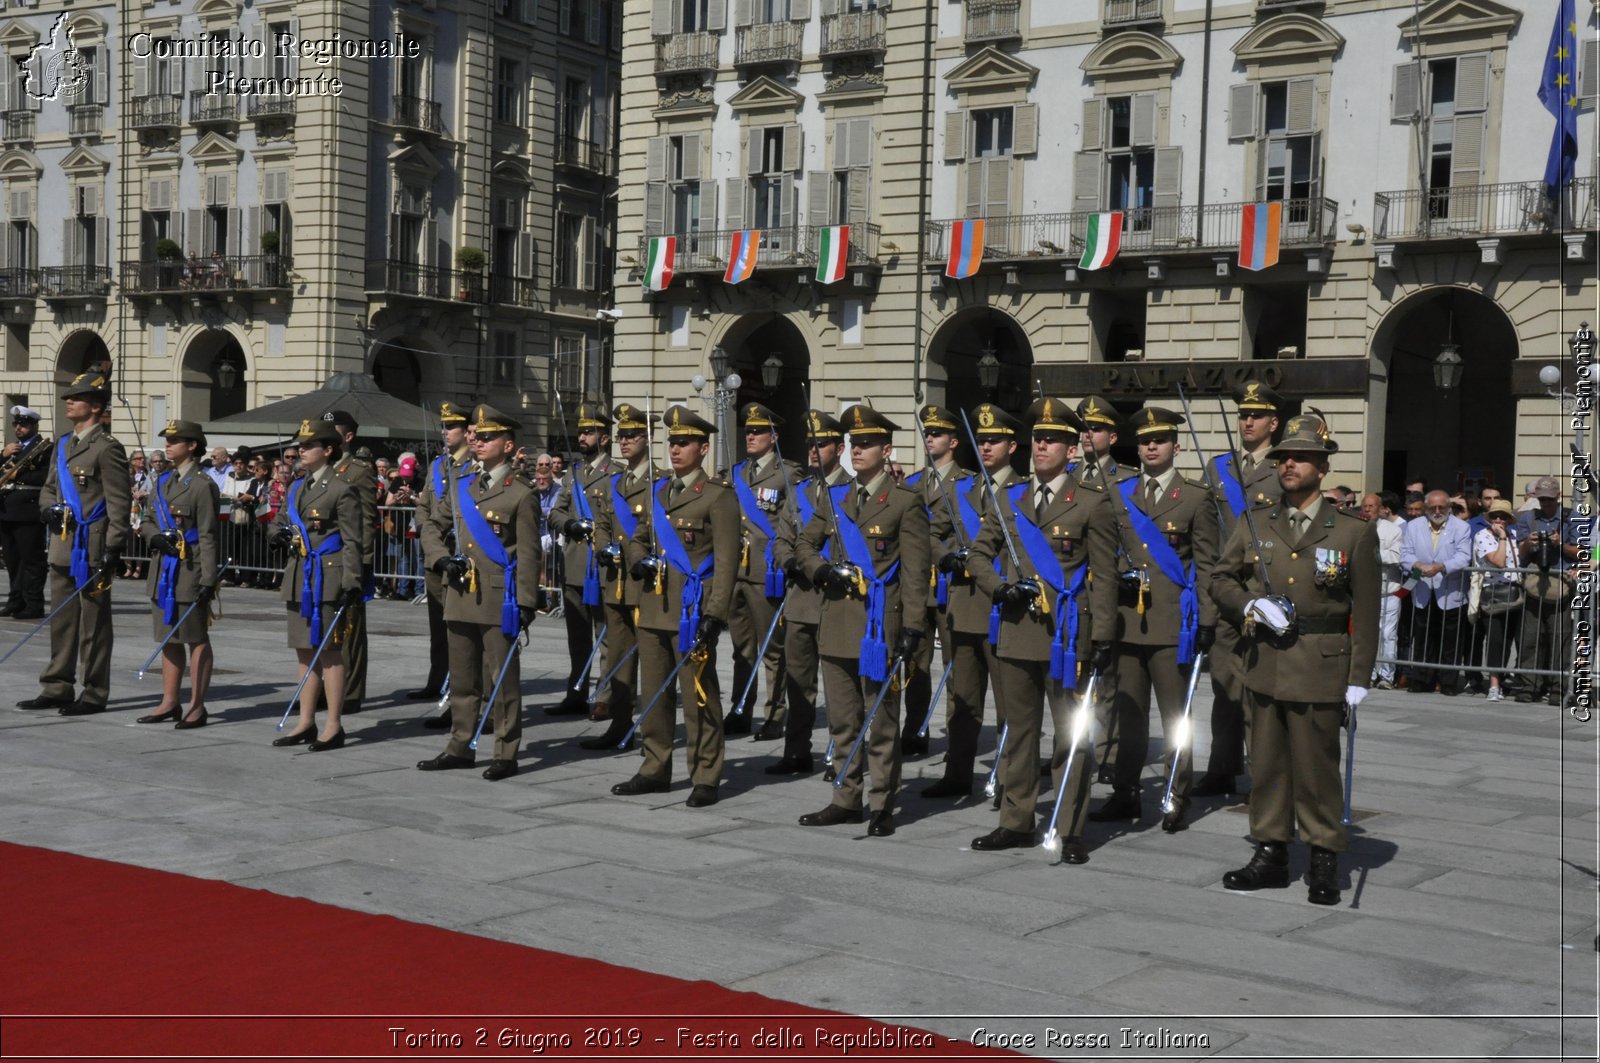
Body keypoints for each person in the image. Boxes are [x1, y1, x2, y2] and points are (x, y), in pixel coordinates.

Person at [1210, 412, 1379, 906]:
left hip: (1322, 662)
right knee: (1266, 764)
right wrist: (1248, 603)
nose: (1289, 465)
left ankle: (1324, 857)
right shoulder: (1255, 520)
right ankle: (1270, 851)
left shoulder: (1352, 531)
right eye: (1284, 457)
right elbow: (1221, 578)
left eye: (1302, 458)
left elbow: (1366, 610)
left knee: (1316, 767)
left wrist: (1359, 676)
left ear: (1323, 468)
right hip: (1264, 659)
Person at [967, 398, 1117, 861]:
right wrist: (999, 587)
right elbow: (977, 556)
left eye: (1053, 440)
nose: (1042, 446)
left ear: (1072, 450)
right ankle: (1015, 820)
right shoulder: (1009, 500)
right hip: (1017, 629)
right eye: (1038, 438)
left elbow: (1106, 575)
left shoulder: (1093, 503)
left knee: (1072, 734)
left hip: (1069, 636)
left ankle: (1071, 827)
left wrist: (1105, 637)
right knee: (1019, 734)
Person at [794, 404, 930, 836]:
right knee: (843, 719)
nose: (857, 450)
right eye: (854, 443)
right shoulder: (835, 500)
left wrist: (912, 627)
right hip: (836, 620)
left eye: (867, 444)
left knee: (882, 720)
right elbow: (804, 545)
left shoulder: (905, 502)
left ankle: (882, 803)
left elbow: (914, 572)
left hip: (879, 626)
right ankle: (845, 796)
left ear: (886, 450)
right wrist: (822, 570)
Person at [1090, 406, 1219, 833]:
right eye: (1144, 440)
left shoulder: (1197, 498)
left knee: (1174, 718)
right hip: (1127, 621)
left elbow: (1207, 562)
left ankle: (1174, 794)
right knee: (1128, 717)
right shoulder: (1119, 493)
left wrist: (1207, 620)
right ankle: (1125, 793)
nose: (1150, 446)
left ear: (1175, 447)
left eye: (1159, 439)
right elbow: (1105, 561)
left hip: (1171, 626)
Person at [615, 405, 739, 807]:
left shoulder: (718, 496)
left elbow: (725, 563)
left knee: (699, 693)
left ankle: (705, 773)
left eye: (684, 443)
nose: (675, 449)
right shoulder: (659, 491)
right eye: (672, 442)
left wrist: (714, 614)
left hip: (692, 612)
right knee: (653, 693)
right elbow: (638, 535)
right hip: (654, 605)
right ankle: (654, 766)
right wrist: (639, 561)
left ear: (703, 449)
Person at [416, 405, 542, 782]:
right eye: (479, 436)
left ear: (508, 444)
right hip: (459, 592)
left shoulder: (520, 494)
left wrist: (526, 603)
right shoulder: (462, 486)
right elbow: (430, 526)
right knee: (462, 678)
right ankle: (460, 746)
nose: (480, 442)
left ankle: (505, 751)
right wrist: (439, 560)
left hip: (498, 598)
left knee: (502, 680)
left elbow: (530, 554)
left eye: (488, 438)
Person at [18, 372, 131, 715]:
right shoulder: (64, 444)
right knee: (62, 619)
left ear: (95, 407)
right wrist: (48, 509)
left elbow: (118, 503)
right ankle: (57, 685)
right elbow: (50, 486)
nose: (69, 401)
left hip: (92, 543)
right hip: (64, 541)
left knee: (94, 624)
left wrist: (112, 548)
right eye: (69, 397)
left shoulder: (107, 448)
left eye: (77, 398)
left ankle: (94, 691)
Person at [926, 402, 1020, 800]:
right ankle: (957, 773)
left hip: (1003, 609)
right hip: (963, 606)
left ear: (1012, 446)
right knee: (962, 700)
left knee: (1010, 703)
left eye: (994, 441)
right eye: (982, 441)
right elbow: (929, 533)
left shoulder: (1023, 490)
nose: (986, 447)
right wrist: (945, 555)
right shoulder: (960, 488)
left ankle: (1010, 778)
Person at [1193, 383, 1283, 799]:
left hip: (1263, 591)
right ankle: (1221, 767)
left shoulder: (1284, 465)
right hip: (1226, 591)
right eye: (1243, 415)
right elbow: (1207, 539)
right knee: (1224, 687)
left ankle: (1263, 774)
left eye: (1257, 415)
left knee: (1261, 690)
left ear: (1273, 422)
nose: (1247, 421)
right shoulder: (1218, 468)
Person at [268, 419, 362, 751]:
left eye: (308, 446)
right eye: (300, 446)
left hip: (328, 576)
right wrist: (276, 534)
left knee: (330, 653)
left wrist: (352, 582)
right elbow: (278, 520)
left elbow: (352, 540)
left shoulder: (341, 488)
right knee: (304, 652)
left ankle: (333, 725)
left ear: (328, 450)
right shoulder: (296, 487)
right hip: (300, 575)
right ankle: (306, 721)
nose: (301, 451)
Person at [767, 409, 851, 775]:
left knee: (839, 688)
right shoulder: (800, 490)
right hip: (800, 597)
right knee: (799, 682)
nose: (814, 450)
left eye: (823, 443)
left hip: (839, 601)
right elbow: (783, 538)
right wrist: (791, 562)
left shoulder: (851, 489)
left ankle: (841, 754)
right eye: (810, 444)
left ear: (839, 447)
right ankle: (796, 750)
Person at [581, 402, 658, 751]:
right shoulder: (613, 482)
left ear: (648, 438)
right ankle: (619, 723)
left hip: (646, 584)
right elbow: (601, 524)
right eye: (621, 436)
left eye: (632, 435)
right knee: (619, 658)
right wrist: (603, 547)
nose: (624, 442)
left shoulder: (660, 482)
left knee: (655, 662)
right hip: (616, 581)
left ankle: (655, 731)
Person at [898, 405, 973, 760]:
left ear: (954, 442)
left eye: (937, 434)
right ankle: (915, 729)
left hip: (948, 584)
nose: (930, 439)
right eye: (927, 434)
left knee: (956, 667)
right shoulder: (911, 484)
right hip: (915, 585)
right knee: (915, 662)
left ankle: (958, 741)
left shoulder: (967, 483)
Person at [136, 420, 221, 729]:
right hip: (163, 569)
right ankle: (169, 701)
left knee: (195, 638)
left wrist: (208, 579)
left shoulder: (201, 485)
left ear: (193, 446)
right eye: (168, 440)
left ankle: (197, 706)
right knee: (167, 637)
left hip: (190, 569)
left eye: (176, 440)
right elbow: (146, 519)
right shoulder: (162, 481)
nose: (168, 445)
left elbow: (210, 535)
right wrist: (153, 536)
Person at [1074, 394, 1135, 779]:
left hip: (1108, 586)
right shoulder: (1070, 478)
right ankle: (1074, 749)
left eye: (1095, 429)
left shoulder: (1126, 479)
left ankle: (1109, 754)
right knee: (1074, 679)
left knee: (1109, 680)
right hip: (1075, 591)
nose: (1086, 435)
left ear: (1112, 437)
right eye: (1083, 429)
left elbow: (1132, 538)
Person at [726, 402, 796, 740]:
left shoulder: (788, 474)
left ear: (774, 436)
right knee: (741, 648)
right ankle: (740, 708)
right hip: (735, 571)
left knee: (772, 648)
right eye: (749, 431)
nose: (750, 436)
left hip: (765, 571)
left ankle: (774, 714)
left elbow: (793, 522)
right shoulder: (737, 473)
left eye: (758, 431)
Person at [547, 404, 622, 715]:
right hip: (576, 564)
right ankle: (576, 692)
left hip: (602, 566)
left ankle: (605, 696)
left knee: (606, 635)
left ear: (603, 438)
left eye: (588, 432)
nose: (582, 437)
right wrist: (569, 524)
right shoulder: (573, 474)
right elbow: (555, 512)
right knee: (577, 636)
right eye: (580, 432)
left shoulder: (616, 473)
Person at [414, 402, 474, 720]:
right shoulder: (439, 466)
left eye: (451, 427)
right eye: (443, 427)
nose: (445, 432)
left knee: (458, 628)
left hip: (459, 553)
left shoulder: (472, 465)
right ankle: (437, 679)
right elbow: (424, 503)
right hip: (435, 553)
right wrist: (429, 533)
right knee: (437, 624)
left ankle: (458, 689)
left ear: (466, 432)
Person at [1511, 475, 1579, 705]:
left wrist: (1560, 543)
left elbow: (1581, 552)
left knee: (1560, 639)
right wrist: (1529, 543)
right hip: (1533, 585)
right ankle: (1529, 686)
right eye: (1542, 499)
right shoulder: (1527, 518)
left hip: (1561, 587)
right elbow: (1521, 553)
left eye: (1550, 500)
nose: (1546, 504)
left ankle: (1558, 688)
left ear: (1559, 497)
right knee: (1530, 638)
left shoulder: (1572, 517)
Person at [325, 411, 376, 715]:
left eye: (331, 431)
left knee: (351, 628)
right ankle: (325, 687)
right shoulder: (322, 470)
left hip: (350, 558)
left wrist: (363, 563)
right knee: (326, 625)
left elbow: (367, 520)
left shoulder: (358, 471)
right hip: (326, 559)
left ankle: (352, 691)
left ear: (347, 437)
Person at [1399, 489, 1472, 695]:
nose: (1437, 511)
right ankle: (1422, 679)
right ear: (1426, 508)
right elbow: (1405, 553)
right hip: (1422, 588)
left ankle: (1448, 682)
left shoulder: (1461, 527)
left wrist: (1441, 566)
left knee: (1451, 639)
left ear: (1449, 508)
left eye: (1442, 507)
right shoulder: (1413, 526)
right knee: (1422, 637)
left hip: (1450, 591)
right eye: (1433, 508)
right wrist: (1417, 564)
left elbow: (1463, 557)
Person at [0, 405, 49, 619]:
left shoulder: (45, 448)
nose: (19, 428)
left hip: (28, 509)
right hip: (7, 509)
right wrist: (3, 455)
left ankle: (33, 603)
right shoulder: (14, 448)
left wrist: (17, 475)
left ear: (34, 425)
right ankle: (15, 600)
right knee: (12, 560)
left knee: (31, 560)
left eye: (24, 424)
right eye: (16, 424)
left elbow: (46, 477)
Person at [1473, 499, 1522, 702]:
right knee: (1495, 639)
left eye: (1503, 516)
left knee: (1508, 640)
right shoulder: (1482, 536)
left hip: (1513, 593)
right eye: (1494, 516)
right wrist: (1501, 538)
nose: (1498, 519)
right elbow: (1499, 561)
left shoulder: (1515, 535)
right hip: (1492, 594)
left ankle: (1502, 679)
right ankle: (1493, 684)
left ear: (1509, 519)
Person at [1361, 491, 1405, 689]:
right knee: (1367, 634)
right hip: (1365, 589)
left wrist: (1373, 554)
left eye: (1371, 506)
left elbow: (1396, 556)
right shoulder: (1356, 527)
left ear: (1380, 509)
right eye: (1365, 506)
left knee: (1388, 634)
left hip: (1389, 590)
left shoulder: (1393, 530)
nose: (1367, 510)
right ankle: (1368, 673)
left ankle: (1387, 675)